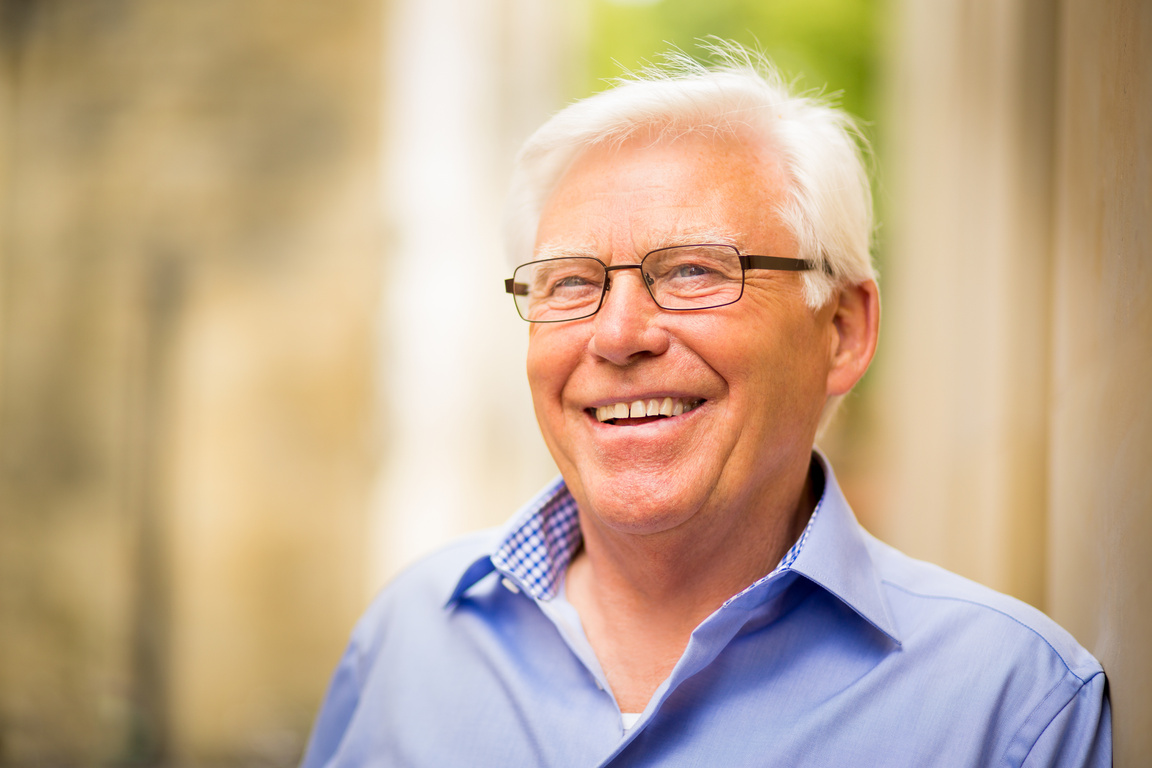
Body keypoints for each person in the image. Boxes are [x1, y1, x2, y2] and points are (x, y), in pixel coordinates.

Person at [301, 44, 1110, 767]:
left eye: (693, 270)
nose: (617, 335)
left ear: (842, 330)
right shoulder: (407, 641)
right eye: (572, 282)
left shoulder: (1015, 708)